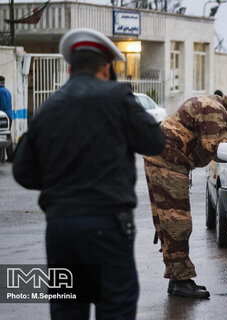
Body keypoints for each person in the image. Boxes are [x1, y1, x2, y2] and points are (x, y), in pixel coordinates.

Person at [12, 28, 165, 320]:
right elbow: (155, 142)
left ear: (70, 69)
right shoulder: (118, 97)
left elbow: (22, 172)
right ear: (106, 68)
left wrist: (61, 181)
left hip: (61, 228)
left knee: (68, 310)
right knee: (115, 306)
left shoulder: (48, 106)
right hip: (106, 226)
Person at [144, 87, 227, 299]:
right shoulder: (216, 112)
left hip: (166, 158)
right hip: (167, 161)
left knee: (171, 222)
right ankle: (181, 282)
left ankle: (176, 278)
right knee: (177, 222)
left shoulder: (216, 104)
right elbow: (218, 149)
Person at [0, 75, 13, 162]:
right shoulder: (7, 91)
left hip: (3, 117)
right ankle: (11, 157)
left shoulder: (1, 91)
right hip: (9, 116)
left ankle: (2, 159)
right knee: (7, 137)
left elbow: (2, 106)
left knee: (2, 137)